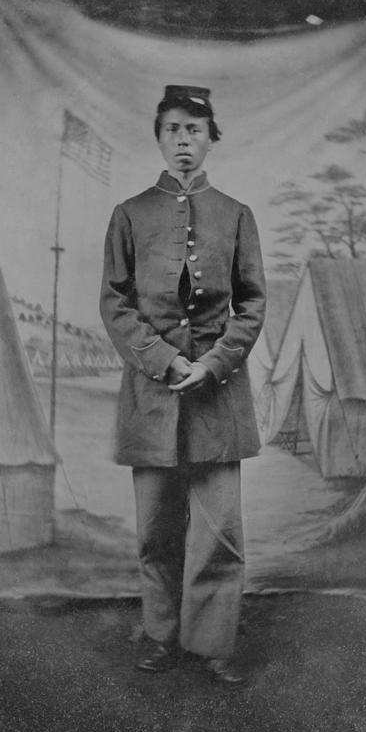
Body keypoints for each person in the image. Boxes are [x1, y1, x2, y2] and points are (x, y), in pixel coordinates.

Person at [99, 85, 266, 686]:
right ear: (159, 137)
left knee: (220, 530)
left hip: (219, 399)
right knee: (156, 531)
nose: (183, 142)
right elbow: (115, 305)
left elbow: (252, 305)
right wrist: (167, 361)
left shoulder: (236, 215)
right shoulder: (130, 214)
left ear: (212, 138)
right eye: (172, 129)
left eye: (194, 130)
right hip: (152, 395)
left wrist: (215, 363)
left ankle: (212, 642)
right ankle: (160, 636)